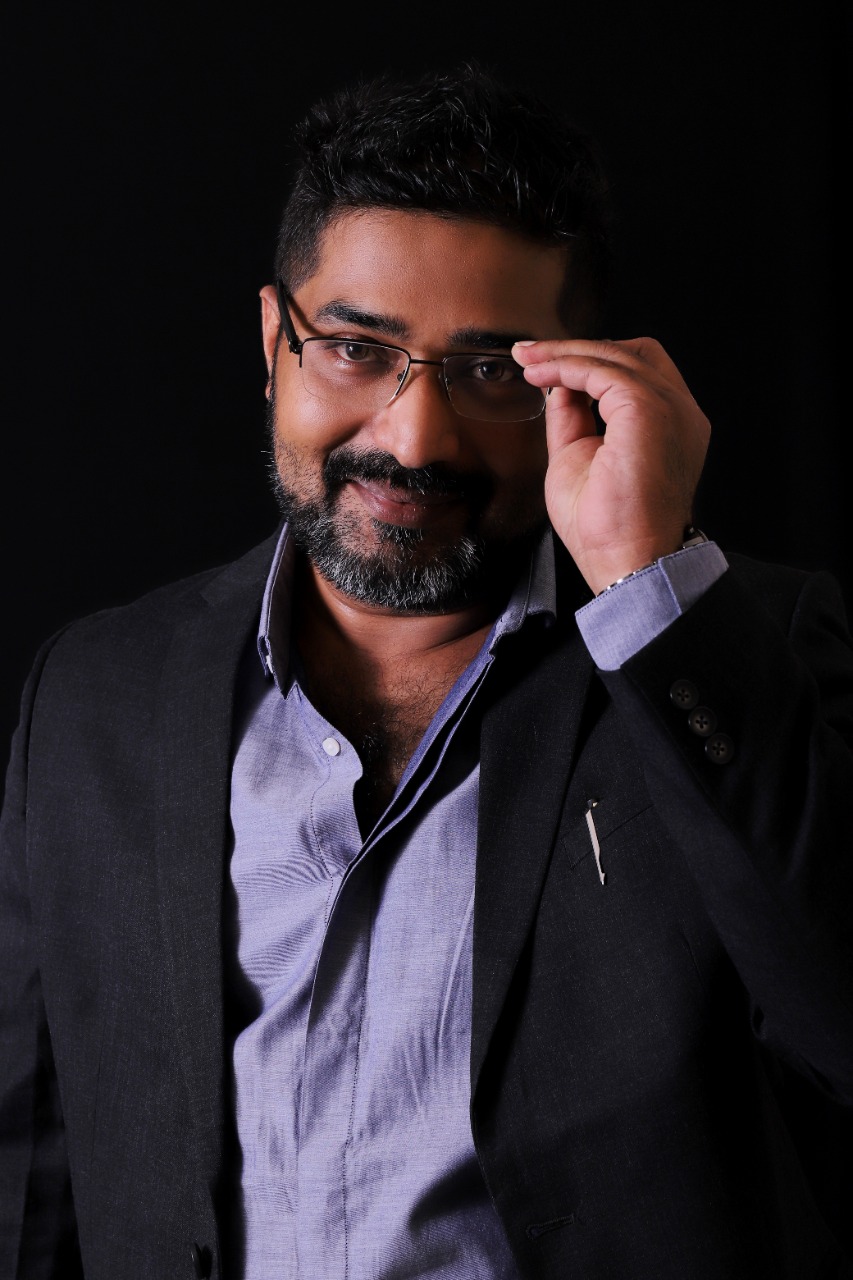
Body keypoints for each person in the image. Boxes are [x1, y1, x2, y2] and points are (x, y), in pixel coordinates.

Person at [1, 61, 851, 1280]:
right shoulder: (95, 697)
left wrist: (649, 582)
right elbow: (29, 1184)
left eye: (490, 369)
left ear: (575, 379)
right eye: (356, 347)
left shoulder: (722, 651)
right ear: (273, 340)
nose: (413, 437)